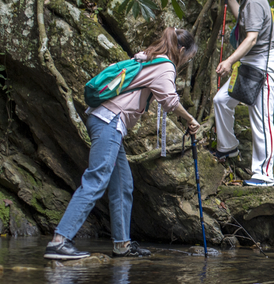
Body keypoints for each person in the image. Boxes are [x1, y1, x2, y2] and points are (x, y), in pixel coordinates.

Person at [44, 27, 200, 260]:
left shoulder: (149, 57)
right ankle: (60, 241)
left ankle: (122, 244)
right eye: (188, 57)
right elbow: (169, 100)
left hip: (106, 120)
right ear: (181, 49)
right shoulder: (165, 64)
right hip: (110, 120)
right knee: (96, 179)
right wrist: (190, 119)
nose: (186, 61)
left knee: (123, 184)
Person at [213, 0, 274, 186]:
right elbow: (241, 21)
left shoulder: (254, 1)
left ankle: (264, 173)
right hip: (249, 65)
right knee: (221, 100)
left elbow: (251, 38)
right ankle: (228, 147)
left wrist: (229, 61)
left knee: (261, 119)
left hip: (263, 67)